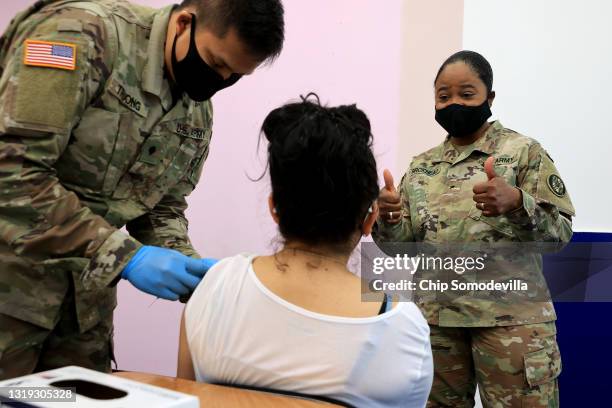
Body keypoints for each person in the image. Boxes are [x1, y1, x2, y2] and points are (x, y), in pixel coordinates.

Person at [0, 0, 284, 378]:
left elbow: (159, 203)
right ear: (185, 22)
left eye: (234, 75)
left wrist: (189, 266)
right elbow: (13, 171)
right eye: (217, 64)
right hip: (11, 291)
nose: (218, 81)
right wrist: (125, 257)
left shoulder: (195, 109)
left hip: (84, 309)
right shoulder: (82, 36)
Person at [177, 95, 433, 408]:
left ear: (275, 209)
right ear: (369, 220)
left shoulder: (214, 289)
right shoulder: (404, 331)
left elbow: (186, 400)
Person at [373, 51, 574, 407]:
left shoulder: (523, 153)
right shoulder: (422, 167)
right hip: (437, 325)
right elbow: (402, 249)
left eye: (466, 94)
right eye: (443, 96)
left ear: (489, 98)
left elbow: (558, 234)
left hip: (511, 324)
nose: (454, 104)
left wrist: (517, 203)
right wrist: (389, 221)